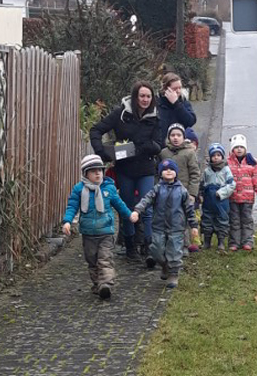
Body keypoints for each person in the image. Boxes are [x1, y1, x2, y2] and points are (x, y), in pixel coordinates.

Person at [90, 81, 161, 261]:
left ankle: (149, 247)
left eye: (148, 96)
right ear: (135, 97)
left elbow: (160, 144)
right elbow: (96, 130)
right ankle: (130, 247)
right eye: (142, 96)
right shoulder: (120, 114)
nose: (145, 100)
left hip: (146, 168)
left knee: (146, 208)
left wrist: (148, 146)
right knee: (127, 209)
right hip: (125, 169)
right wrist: (101, 152)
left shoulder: (155, 116)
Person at [62, 154, 138, 299]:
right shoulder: (79, 189)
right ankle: (97, 284)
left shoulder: (109, 188)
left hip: (106, 232)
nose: (98, 173)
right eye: (93, 171)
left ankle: (106, 284)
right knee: (92, 260)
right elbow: (72, 206)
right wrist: (67, 221)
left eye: (100, 170)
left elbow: (119, 204)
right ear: (85, 174)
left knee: (105, 259)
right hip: (88, 233)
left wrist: (129, 215)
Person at [134, 159, 198, 289]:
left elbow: (189, 209)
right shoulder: (157, 189)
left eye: (171, 169)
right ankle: (164, 265)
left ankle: (173, 273)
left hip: (176, 226)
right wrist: (137, 210)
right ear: (160, 173)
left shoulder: (182, 190)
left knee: (174, 251)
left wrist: (194, 225)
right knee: (156, 249)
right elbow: (146, 200)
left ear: (176, 173)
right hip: (159, 226)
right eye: (165, 169)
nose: (168, 171)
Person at [159, 123, 200, 253]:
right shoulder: (164, 153)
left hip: (184, 192)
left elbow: (195, 174)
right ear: (168, 137)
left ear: (183, 137)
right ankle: (169, 245)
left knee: (183, 219)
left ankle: (185, 245)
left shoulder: (189, 153)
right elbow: (158, 172)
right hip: (166, 192)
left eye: (178, 135)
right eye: (172, 135)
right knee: (168, 218)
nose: (175, 138)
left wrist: (192, 194)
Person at [227, 134, 257, 251]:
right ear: (232, 149)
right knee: (234, 220)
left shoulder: (252, 163)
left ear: (245, 149)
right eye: (236, 147)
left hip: (247, 198)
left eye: (241, 147)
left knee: (247, 220)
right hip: (232, 197)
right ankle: (234, 242)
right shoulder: (227, 163)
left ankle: (247, 241)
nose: (239, 149)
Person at [199, 143, 236, 251]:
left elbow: (232, 184)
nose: (216, 157)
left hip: (221, 200)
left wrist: (221, 193)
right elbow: (202, 184)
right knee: (207, 219)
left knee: (222, 220)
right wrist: (201, 194)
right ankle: (207, 241)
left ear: (222, 156)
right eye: (213, 155)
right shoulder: (207, 171)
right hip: (208, 200)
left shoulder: (226, 170)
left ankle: (221, 242)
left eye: (218, 155)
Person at [157, 72, 196, 145]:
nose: (178, 91)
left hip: (179, 146)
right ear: (166, 89)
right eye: (175, 89)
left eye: (180, 88)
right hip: (162, 146)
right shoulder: (157, 103)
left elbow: (190, 121)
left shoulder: (183, 102)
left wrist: (176, 104)